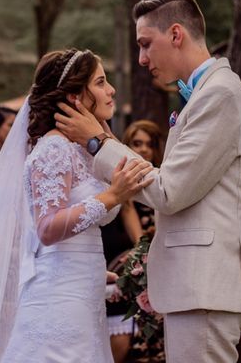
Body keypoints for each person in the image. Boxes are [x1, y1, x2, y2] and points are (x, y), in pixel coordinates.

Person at [55, 0, 241, 362]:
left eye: (146, 44)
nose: (141, 59)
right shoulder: (204, 94)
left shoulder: (220, 95)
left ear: (177, 34)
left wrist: (98, 142)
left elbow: (169, 191)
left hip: (206, 285)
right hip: (198, 286)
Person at [0, 49, 152, 362]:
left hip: (83, 288)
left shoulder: (82, 151)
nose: (112, 90)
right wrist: (112, 196)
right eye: (101, 82)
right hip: (58, 296)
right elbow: (47, 228)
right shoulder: (53, 148)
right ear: (75, 95)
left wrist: (94, 266)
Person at [101, 120, 163, 362]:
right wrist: (140, 250)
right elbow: (126, 211)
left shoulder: (161, 181)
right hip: (122, 262)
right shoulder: (120, 183)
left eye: (150, 144)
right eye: (137, 143)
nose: (144, 149)